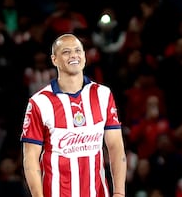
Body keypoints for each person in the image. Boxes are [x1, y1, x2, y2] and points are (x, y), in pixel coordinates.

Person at [20, 33, 127, 197]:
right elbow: (30, 157)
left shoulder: (103, 94)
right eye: (66, 52)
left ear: (84, 56)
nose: (74, 55)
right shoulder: (39, 102)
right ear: (54, 60)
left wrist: (119, 193)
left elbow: (116, 147)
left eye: (78, 50)